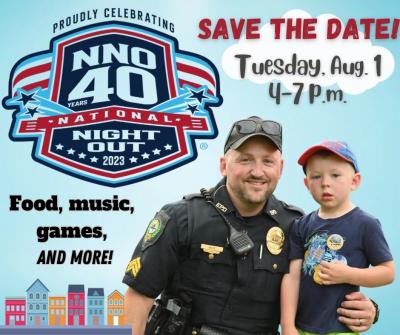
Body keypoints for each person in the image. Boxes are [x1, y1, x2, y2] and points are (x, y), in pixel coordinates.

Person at [123, 117, 377, 335]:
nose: (257, 171)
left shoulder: (298, 227)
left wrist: (369, 310)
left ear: (280, 168)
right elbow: (139, 296)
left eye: (267, 161)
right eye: (245, 160)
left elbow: (323, 288)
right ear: (224, 164)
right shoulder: (181, 217)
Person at [280, 141, 394, 335]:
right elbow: (292, 277)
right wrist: (288, 326)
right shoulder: (301, 225)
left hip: (340, 327)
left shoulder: (366, 224)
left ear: (354, 181)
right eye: (316, 176)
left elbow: (387, 273)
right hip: (300, 327)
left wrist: (347, 274)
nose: (325, 183)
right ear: (307, 184)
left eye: (335, 175)